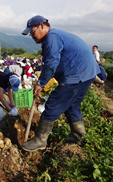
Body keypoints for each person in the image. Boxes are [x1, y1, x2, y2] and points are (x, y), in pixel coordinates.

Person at [21, 15, 100, 151]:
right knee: (72, 106)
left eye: (32, 32)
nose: (32, 36)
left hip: (77, 75)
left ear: (41, 25)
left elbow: (51, 63)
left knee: (52, 105)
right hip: (86, 74)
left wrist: (41, 83)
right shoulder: (52, 38)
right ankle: (80, 137)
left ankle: (40, 140)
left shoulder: (53, 37)